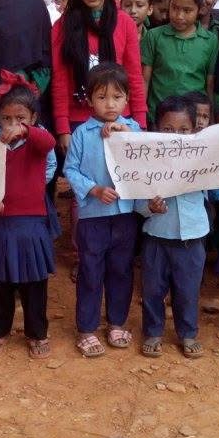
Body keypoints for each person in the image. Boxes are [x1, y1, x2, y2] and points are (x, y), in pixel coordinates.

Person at [63, 63, 141, 357]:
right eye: (101, 97)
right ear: (89, 99)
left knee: (121, 270)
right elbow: (69, 169)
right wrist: (94, 189)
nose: (110, 104)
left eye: (117, 97)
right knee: (91, 271)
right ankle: (87, 328)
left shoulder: (134, 130)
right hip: (93, 217)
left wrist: (125, 136)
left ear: (127, 99)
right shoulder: (82, 133)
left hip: (125, 216)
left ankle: (117, 323)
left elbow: (146, 164)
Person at [0, 85, 56, 359]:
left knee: (34, 284)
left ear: (32, 118)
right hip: (0, 222)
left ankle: (37, 333)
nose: (12, 124)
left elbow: (49, 143)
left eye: (20, 118)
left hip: (31, 224)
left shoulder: (38, 141)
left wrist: (26, 132)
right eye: (6, 119)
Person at [136, 96, 210, 358]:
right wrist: (148, 209)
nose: (176, 136)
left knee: (188, 290)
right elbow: (136, 201)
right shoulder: (147, 162)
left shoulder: (203, 159)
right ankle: (153, 331)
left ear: (195, 131)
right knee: (153, 290)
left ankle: (188, 333)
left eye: (183, 130)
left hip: (192, 238)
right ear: (156, 129)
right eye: (168, 130)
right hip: (157, 236)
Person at [53, 0, 147, 154]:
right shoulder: (63, 26)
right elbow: (60, 80)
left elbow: (134, 76)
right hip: (79, 121)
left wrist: (139, 122)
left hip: (121, 118)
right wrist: (63, 127)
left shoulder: (125, 23)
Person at [141, 0, 218, 124]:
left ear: (199, 10)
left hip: (194, 122)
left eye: (187, 10)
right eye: (174, 8)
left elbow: (209, 84)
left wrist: (211, 121)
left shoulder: (210, 41)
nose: (179, 15)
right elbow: (145, 80)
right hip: (159, 119)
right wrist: (142, 119)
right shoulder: (154, 36)